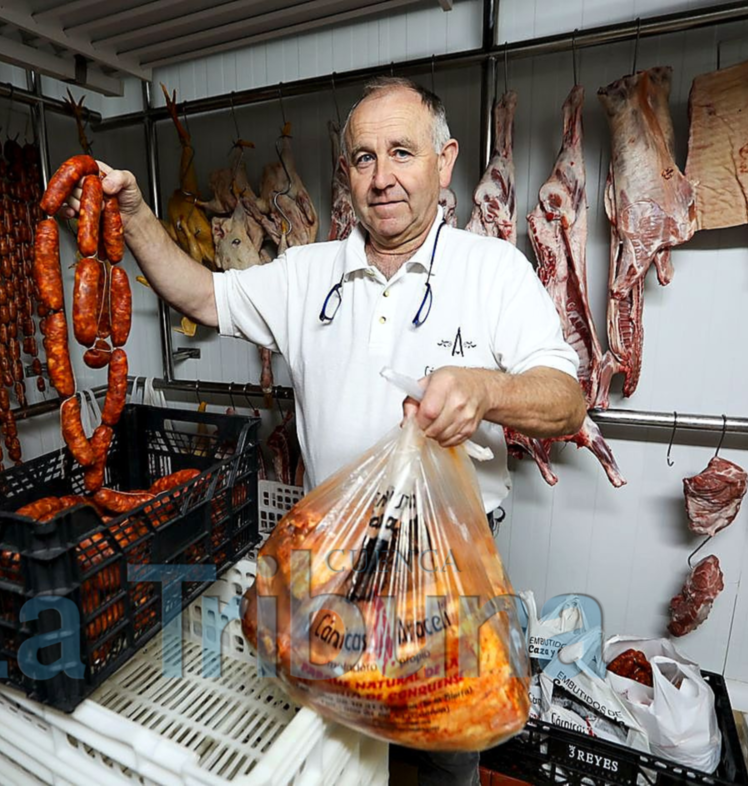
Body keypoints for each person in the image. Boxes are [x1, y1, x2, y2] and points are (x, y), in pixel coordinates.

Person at [63, 76, 586, 785]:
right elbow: (199, 293)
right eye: (364, 158)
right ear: (347, 173)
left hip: (442, 576)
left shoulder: (493, 271)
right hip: (328, 568)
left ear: (446, 160)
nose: (383, 177)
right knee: (328, 754)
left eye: (402, 152)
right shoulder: (308, 274)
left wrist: (485, 390)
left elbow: (567, 400)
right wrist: (133, 214)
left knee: (437, 755)